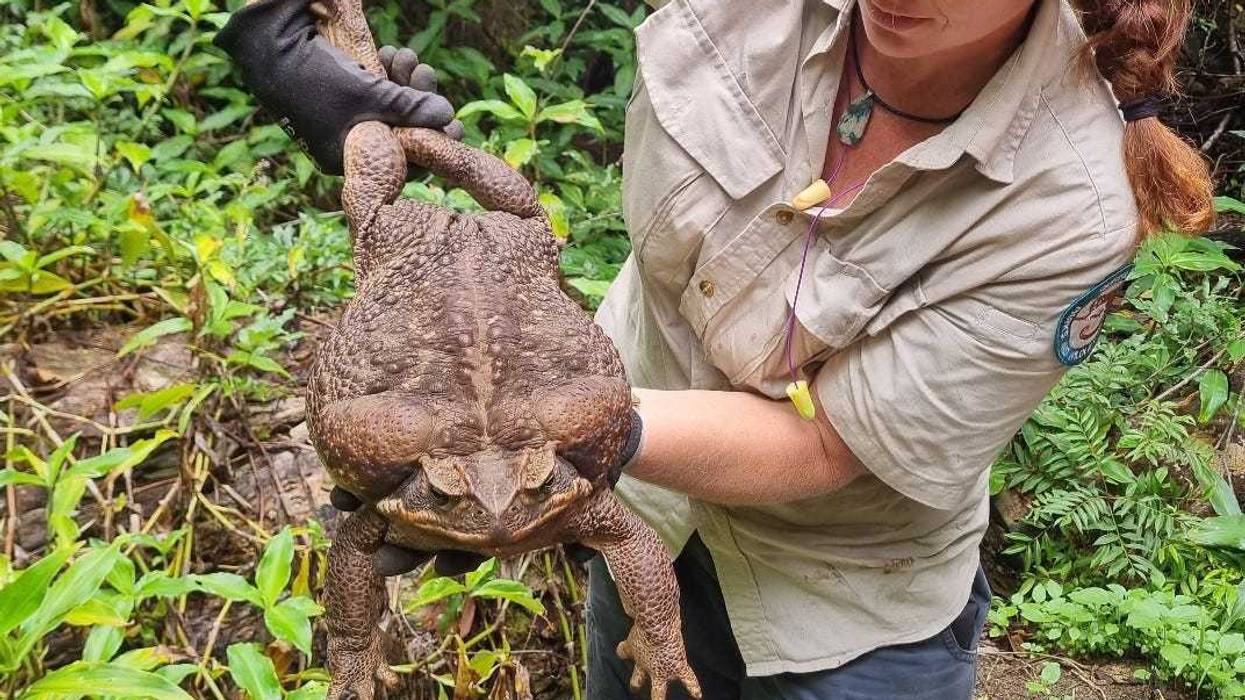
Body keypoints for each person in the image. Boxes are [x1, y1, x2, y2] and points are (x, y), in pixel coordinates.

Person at [215, 0, 1215, 697]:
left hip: (838, 606)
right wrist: (360, 108)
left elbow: (831, 446)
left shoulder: (1071, 204)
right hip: (632, 508)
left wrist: (553, 432)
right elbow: (501, 251)